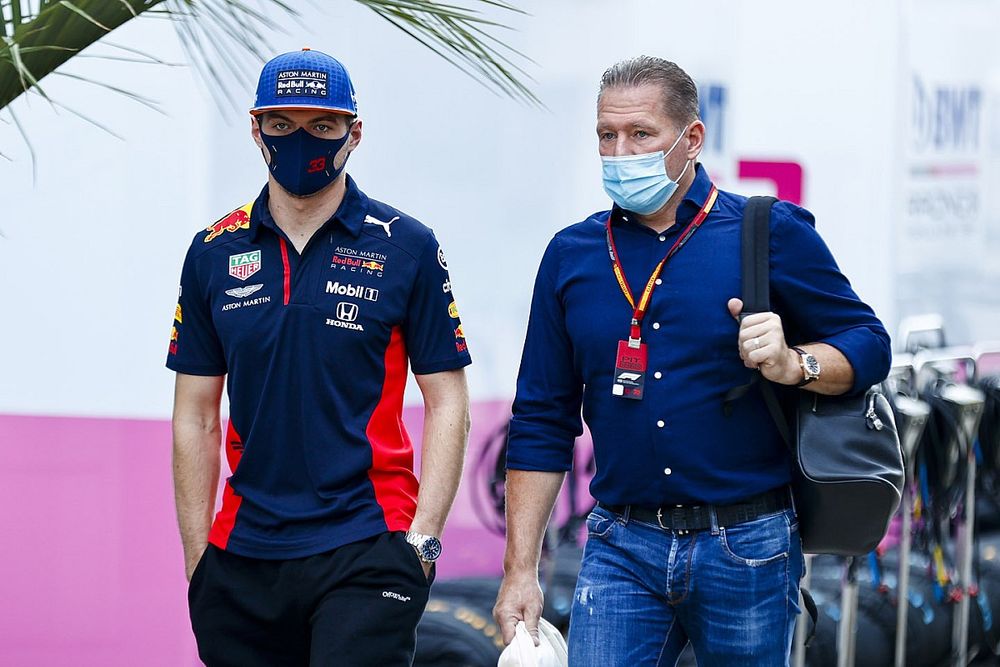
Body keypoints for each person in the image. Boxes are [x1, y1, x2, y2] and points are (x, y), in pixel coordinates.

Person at [493, 55, 891, 666]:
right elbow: (542, 419)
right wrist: (520, 570)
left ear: (692, 138)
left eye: (641, 134)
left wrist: (795, 363)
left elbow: (868, 342)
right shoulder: (572, 255)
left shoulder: (766, 230)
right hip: (619, 545)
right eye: (607, 135)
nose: (620, 152)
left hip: (749, 543)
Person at [167, 48, 471, 666]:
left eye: (322, 125)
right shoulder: (212, 252)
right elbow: (195, 417)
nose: (300, 138)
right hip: (242, 555)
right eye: (281, 124)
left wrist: (424, 544)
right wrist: (200, 562)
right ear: (256, 129)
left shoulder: (406, 246)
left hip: (367, 542)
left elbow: (448, 403)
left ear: (353, 134)